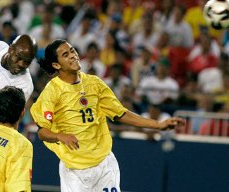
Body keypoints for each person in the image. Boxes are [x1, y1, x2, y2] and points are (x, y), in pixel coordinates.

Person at [30, 39, 185, 191]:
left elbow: (120, 114)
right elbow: (43, 132)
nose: (72, 55)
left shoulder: (94, 83)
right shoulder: (52, 92)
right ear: (56, 65)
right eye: (65, 54)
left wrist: (158, 125)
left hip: (105, 165)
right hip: (74, 171)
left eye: (72, 50)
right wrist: (60, 136)